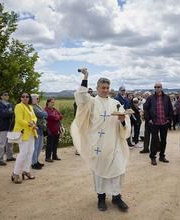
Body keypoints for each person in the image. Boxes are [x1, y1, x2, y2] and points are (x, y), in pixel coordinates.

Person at [71, 68, 131, 212]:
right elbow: (81, 97)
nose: (105, 90)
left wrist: (123, 121)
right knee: (99, 171)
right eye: (102, 88)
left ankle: (116, 197)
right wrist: (86, 76)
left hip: (114, 142)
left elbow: (124, 122)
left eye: (107, 88)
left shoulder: (115, 103)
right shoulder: (91, 102)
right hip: (97, 144)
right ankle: (101, 198)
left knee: (118, 170)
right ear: (97, 88)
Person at [144, 82, 173, 165]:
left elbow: (170, 109)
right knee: (154, 140)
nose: (157, 88)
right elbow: (145, 108)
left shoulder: (167, 98)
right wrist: (149, 119)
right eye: (155, 87)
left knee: (164, 140)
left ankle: (162, 156)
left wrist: (169, 120)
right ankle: (153, 157)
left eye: (158, 87)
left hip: (164, 122)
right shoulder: (150, 98)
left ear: (161, 88)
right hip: (154, 123)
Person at [11, 93, 37, 184]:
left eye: (27, 97)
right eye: (23, 96)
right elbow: (19, 120)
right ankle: (15, 173)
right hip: (22, 132)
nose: (25, 98)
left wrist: (33, 122)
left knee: (30, 152)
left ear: (29, 98)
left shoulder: (30, 107)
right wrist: (30, 124)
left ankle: (26, 171)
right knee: (23, 153)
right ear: (20, 98)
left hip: (31, 132)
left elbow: (34, 117)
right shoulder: (18, 106)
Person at [0, 91, 15, 166]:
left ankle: (9, 157)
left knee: (10, 142)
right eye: (5, 95)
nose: (7, 96)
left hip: (10, 125)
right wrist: (10, 112)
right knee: (1, 143)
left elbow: (13, 114)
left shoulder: (9, 104)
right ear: (1, 96)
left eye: (7, 95)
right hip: (2, 126)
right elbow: (3, 114)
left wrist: (9, 112)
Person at [31, 94, 48, 170]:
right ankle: (33, 163)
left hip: (41, 128)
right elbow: (41, 114)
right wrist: (43, 113)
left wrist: (43, 113)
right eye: (36, 98)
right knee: (36, 146)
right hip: (36, 128)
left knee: (40, 145)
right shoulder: (32, 107)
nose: (38, 100)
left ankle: (36, 161)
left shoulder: (38, 106)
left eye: (38, 98)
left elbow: (45, 114)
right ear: (32, 99)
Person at [45, 98, 63, 162]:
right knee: (49, 144)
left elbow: (61, 116)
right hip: (50, 129)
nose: (53, 103)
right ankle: (48, 157)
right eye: (52, 102)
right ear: (48, 102)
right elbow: (50, 117)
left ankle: (54, 155)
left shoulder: (54, 109)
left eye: (53, 102)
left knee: (55, 143)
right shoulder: (46, 110)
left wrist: (56, 117)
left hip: (56, 129)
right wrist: (57, 117)